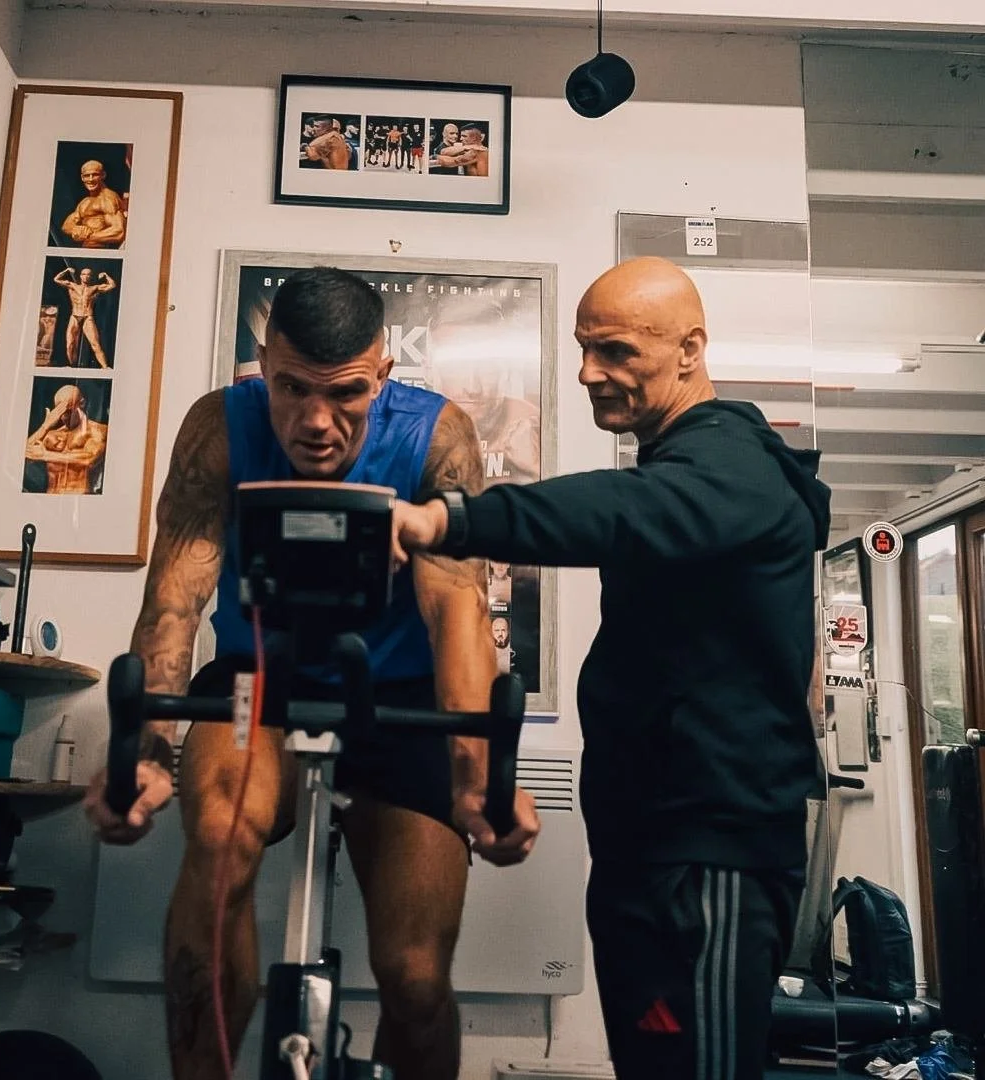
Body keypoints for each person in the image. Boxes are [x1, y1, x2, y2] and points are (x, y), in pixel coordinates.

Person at [83, 267, 540, 1080]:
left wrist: (476, 776)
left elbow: (457, 613)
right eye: (292, 389)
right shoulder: (219, 429)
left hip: (398, 693)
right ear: (264, 364)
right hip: (259, 677)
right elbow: (175, 603)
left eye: (349, 395)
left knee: (414, 976)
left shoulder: (436, 437)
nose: (318, 421)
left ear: (383, 375)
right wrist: (147, 753)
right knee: (219, 837)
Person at [391, 256, 832, 1080]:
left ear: (690, 350)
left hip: (710, 857)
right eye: (585, 349)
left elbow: (617, 515)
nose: (591, 372)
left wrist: (453, 518)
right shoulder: (684, 464)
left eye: (618, 351)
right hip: (651, 843)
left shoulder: (729, 465)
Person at [24, 383, 108, 495]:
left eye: (68, 411)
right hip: (51, 499)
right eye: (60, 413)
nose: (65, 417)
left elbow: (89, 460)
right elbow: (23, 455)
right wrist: (45, 426)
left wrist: (45, 455)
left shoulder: (97, 431)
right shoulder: (52, 435)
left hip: (80, 501)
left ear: (81, 403)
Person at [53, 266, 117, 368]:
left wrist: (105, 275)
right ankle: (71, 366)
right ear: (80, 276)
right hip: (75, 316)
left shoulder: (94, 288)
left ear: (90, 277)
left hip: (88, 316)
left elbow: (112, 285)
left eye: (88, 275)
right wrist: (66, 271)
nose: (86, 276)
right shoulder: (72, 286)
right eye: (84, 274)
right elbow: (56, 279)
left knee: (95, 344)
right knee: (70, 344)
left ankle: (105, 367)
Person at [60, 159, 126, 248]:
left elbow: (119, 232)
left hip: (104, 255)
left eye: (95, 175)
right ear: (82, 178)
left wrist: (87, 236)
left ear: (103, 175)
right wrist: (76, 229)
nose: (90, 179)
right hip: (88, 253)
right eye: (87, 176)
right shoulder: (85, 202)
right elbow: (66, 226)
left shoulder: (108, 198)